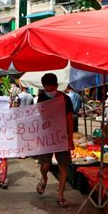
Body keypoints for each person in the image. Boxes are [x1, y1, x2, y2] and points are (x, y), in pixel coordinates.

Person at [35, 73, 74, 208]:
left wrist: (71, 138)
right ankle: (44, 178)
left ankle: (60, 195)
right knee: (45, 165)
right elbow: (38, 117)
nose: (49, 92)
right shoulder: (41, 97)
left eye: (51, 89)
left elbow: (69, 118)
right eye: (47, 89)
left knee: (63, 166)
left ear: (57, 87)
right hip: (46, 136)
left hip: (62, 137)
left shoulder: (65, 99)